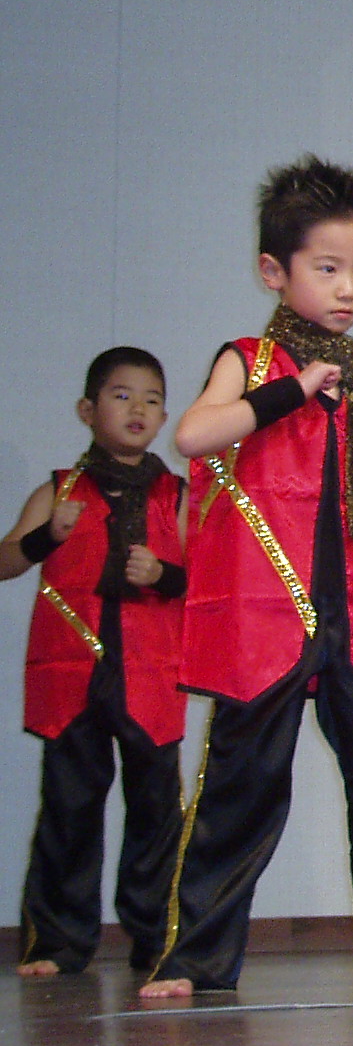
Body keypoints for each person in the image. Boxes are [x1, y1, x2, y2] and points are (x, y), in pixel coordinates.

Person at [139, 157, 353, 996]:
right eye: (327, 268)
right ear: (274, 271)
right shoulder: (251, 360)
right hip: (267, 613)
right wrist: (289, 392)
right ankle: (195, 961)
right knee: (241, 789)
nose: (348, 289)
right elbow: (194, 436)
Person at [1, 348, 188, 976]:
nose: (138, 409)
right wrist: (44, 537)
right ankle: (57, 943)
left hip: (150, 672)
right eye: (121, 395)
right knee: (69, 807)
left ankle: (157, 937)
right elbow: (5, 562)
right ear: (87, 410)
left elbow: (208, 581)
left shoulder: (177, 496)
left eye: (153, 399)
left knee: (157, 811)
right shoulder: (57, 491)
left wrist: (164, 575)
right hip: (73, 672)